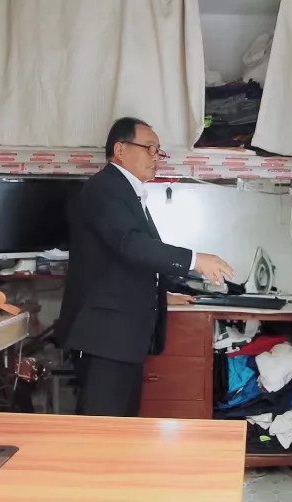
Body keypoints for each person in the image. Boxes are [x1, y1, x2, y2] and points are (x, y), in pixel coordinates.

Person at [57, 117, 234, 417]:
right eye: (149, 148)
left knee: (123, 428)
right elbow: (131, 244)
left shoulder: (127, 192)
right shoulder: (105, 189)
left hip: (122, 339)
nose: (156, 157)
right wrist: (195, 260)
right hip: (105, 338)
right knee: (102, 429)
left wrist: (161, 295)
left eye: (158, 151)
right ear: (120, 150)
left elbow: (121, 264)